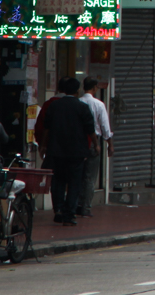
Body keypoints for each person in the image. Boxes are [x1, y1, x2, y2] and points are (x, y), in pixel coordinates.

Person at [36, 77, 95, 226]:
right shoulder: (82, 107)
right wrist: (96, 144)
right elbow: (90, 129)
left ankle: (59, 210)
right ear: (77, 91)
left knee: (58, 181)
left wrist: (43, 146)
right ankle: (69, 214)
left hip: (56, 150)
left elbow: (46, 128)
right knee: (74, 183)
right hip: (76, 152)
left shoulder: (54, 106)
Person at [79, 77, 114, 217]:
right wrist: (110, 144)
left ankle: (76, 205)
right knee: (89, 177)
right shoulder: (98, 104)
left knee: (77, 176)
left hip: (78, 143)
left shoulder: (78, 102)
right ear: (94, 88)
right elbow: (105, 127)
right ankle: (85, 208)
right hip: (94, 143)